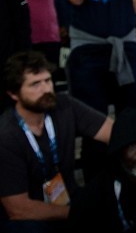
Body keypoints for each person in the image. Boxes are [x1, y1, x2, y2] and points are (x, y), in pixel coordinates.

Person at [0, 51, 112, 231]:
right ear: (14, 94)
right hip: (30, 216)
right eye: (35, 84)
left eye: (48, 80)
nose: (46, 89)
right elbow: (18, 209)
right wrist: (77, 213)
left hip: (68, 200)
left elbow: (114, 133)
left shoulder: (63, 105)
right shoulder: (7, 136)